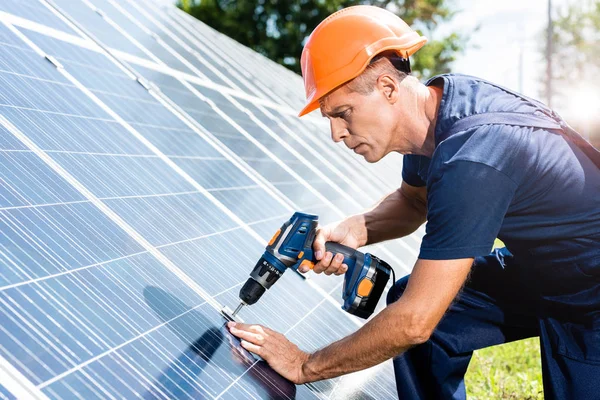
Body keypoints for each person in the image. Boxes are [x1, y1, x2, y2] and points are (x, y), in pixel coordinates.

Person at [227, 5, 600, 399]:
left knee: (419, 314)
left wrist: (306, 365)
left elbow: (414, 323)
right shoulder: (437, 111)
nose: (336, 133)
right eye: (329, 118)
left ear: (388, 88)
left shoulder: (474, 156)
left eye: (343, 113)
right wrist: (354, 229)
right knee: (421, 305)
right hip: (541, 269)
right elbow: (411, 201)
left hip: (592, 294)